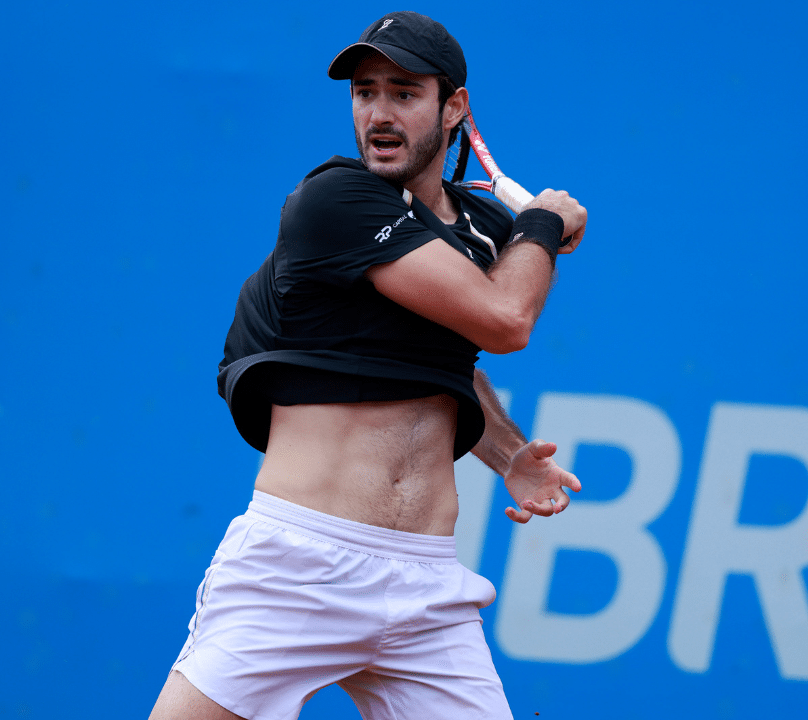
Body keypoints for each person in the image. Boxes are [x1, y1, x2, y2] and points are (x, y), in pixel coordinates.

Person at [149, 10, 587, 720]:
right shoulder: (337, 199)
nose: (379, 113)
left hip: (427, 587)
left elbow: (448, 360)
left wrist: (507, 454)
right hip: (301, 568)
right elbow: (507, 321)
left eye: (404, 93)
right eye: (365, 92)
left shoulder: (479, 230)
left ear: (454, 109)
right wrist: (543, 222)